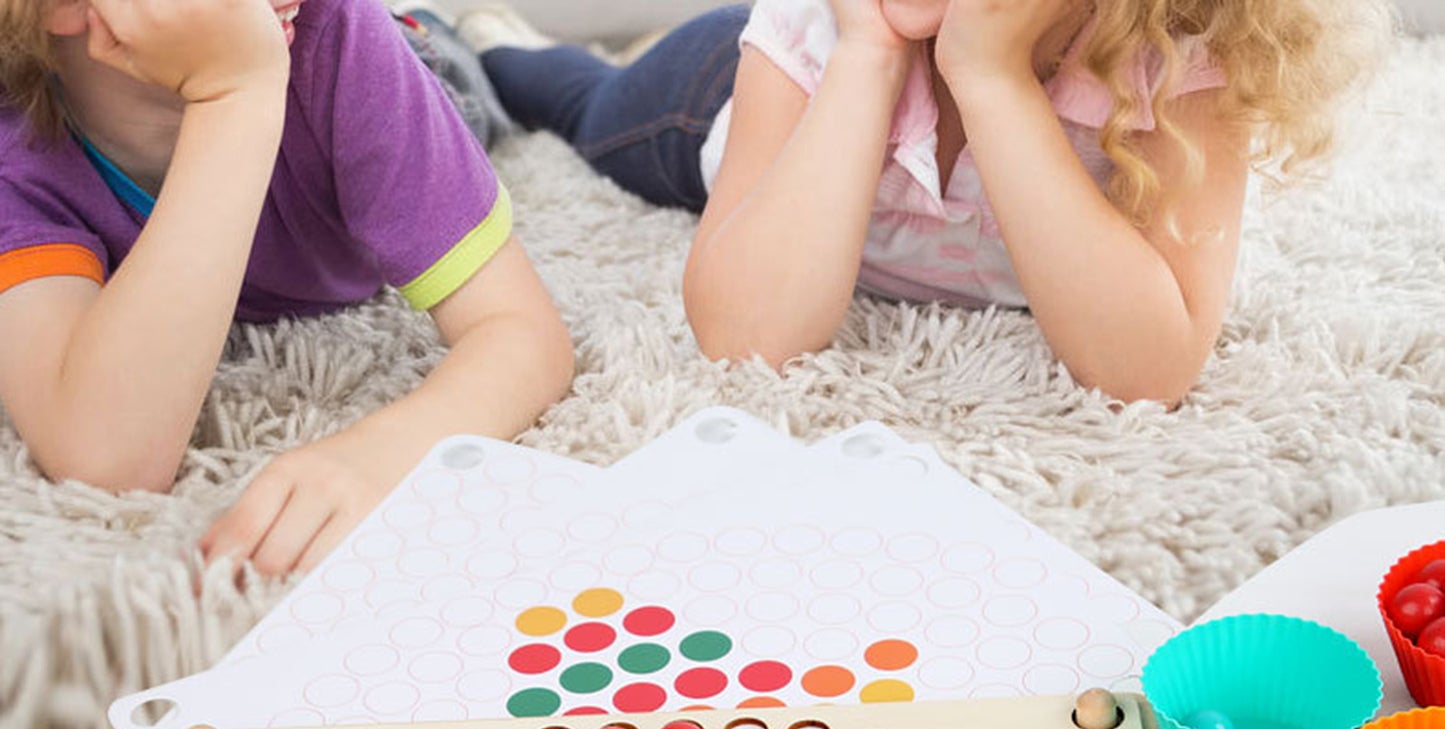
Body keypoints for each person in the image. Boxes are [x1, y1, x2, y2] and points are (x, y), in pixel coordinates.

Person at [469, 0, 1392, 404]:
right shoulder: (813, 27)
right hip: (703, 97)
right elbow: (744, 338)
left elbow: (1149, 369)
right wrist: (868, 53)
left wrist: (989, 77)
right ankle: (486, 39)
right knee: (584, 104)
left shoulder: (1182, 58)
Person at [0, 0, 574, 576]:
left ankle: (486, 39)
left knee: (487, 82)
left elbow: (521, 331)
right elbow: (105, 455)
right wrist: (233, 95)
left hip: (424, 69)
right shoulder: (16, 153)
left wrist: (385, 455)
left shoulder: (334, 29)